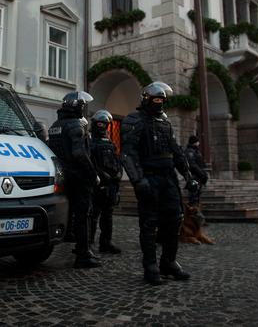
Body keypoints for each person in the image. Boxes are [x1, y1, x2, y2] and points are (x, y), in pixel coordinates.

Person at [121, 81, 198, 285]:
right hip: (149, 176)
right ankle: (150, 267)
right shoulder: (133, 120)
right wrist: (138, 180)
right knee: (149, 223)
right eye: (156, 99)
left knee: (174, 220)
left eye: (162, 100)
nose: (159, 103)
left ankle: (168, 262)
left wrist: (188, 176)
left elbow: (177, 151)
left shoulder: (165, 121)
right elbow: (128, 153)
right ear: (146, 99)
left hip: (168, 177)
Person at [47, 91, 101, 268]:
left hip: (63, 175)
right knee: (83, 215)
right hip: (79, 176)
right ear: (78, 107)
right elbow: (80, 154)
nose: (85, 109)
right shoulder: (76, 125)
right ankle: (83, 253)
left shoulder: (56, 125)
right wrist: (93, 175)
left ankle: (73, 241)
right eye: (84, 106)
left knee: (69, 212)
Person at [89, 109, 123, 254]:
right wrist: (101, 175)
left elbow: (116, 160)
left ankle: (106, 242)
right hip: (98, 185)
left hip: (111, 185)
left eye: (104, 123)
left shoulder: (110, 142)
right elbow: (90, 163)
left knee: (108, 215)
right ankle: (88, 244)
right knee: (93, 215)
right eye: (100, 123)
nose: (102, 126)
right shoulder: (90, 141)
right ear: (95, 123)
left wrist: (119, 173)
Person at [184, 135, 209, 204]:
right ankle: (192, 212)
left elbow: (200, 164)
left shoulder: (196, 151)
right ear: (194, 142)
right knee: (193, 194)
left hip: (198, 177)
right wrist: (201, 174)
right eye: (198, 142)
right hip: (193, 177)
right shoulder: (190, 152)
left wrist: (203, 174)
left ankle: (196, 211)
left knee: (197, 195)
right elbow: (192, 165)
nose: (199, 143)